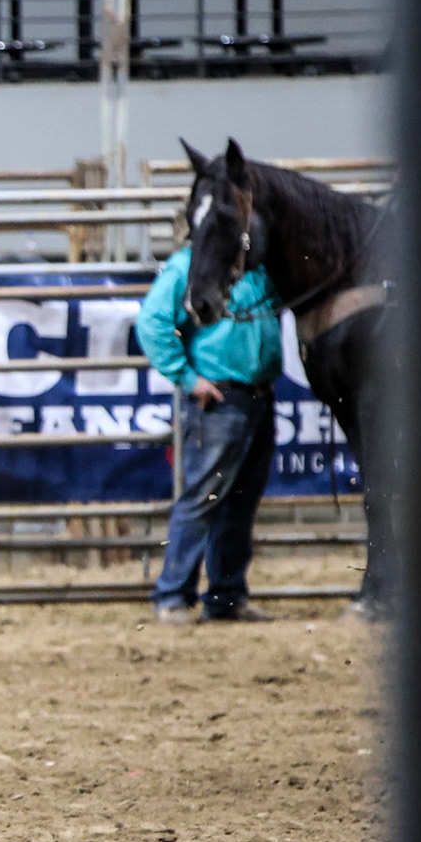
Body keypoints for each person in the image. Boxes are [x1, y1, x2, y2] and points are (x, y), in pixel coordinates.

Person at [136, 240, 283, 626]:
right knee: (204, 497)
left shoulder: (257, 266)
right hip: (218, 396)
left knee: (239, 500)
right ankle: (173, 596)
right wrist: (187, 378)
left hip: (255, 395)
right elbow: (152, 322)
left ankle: (225, 597)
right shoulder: (188, 264)